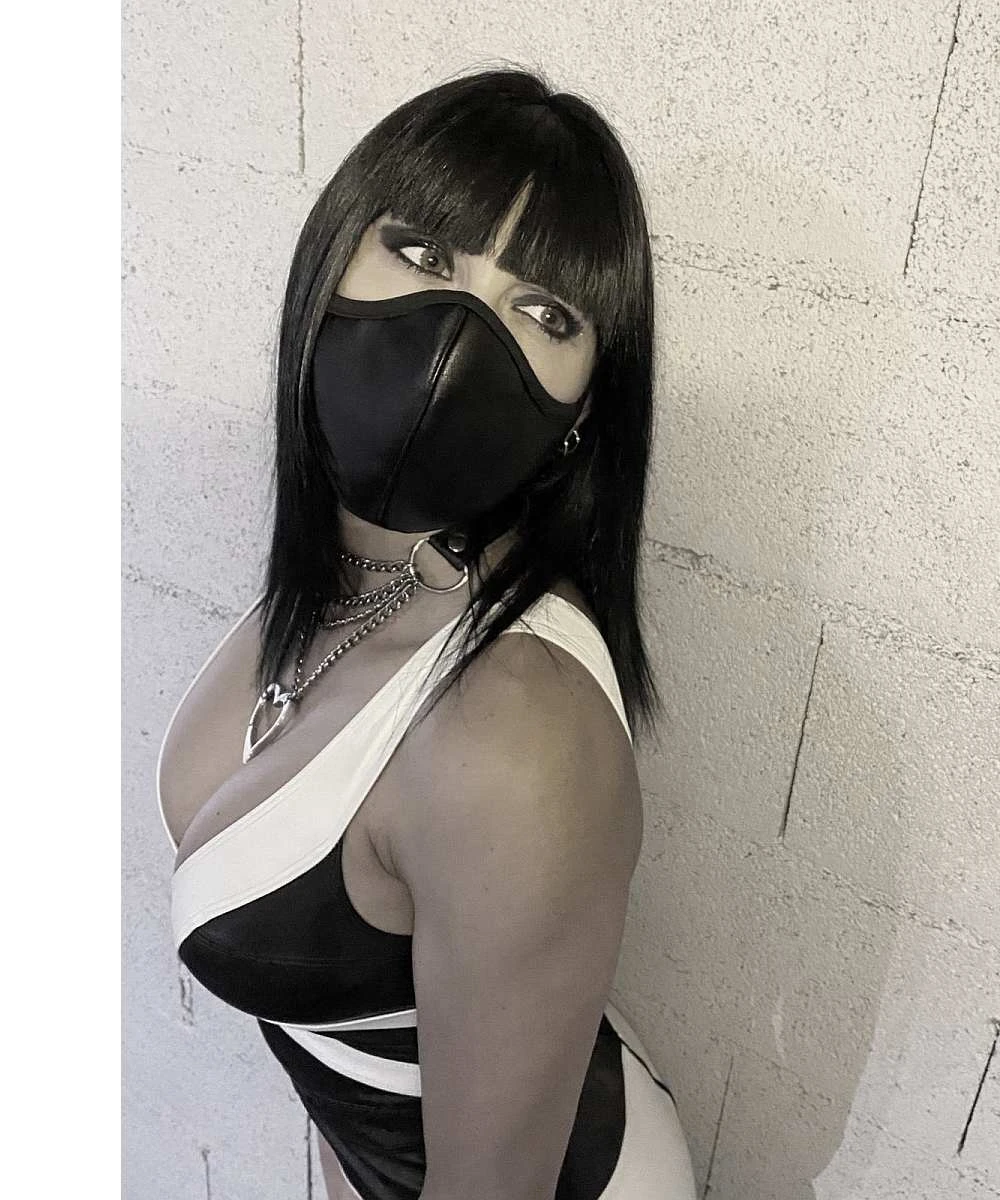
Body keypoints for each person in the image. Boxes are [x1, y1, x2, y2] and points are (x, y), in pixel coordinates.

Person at [155, 67, 700, 1199]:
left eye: (545, 313)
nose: (459, 333)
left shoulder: (513, 737)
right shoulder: (352, 577)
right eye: (422, 252)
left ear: (584, 408)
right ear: (333, 258)